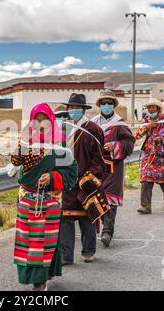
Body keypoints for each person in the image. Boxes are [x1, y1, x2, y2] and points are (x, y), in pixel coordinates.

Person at [11, 103, 78, 291]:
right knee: (28, 242)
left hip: (50, 201)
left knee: (44, 242)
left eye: (45, 120)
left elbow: (72, 173)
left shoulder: (61, 144)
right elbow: (16, 165)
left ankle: (40, 281)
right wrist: (23, 143)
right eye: (37, 120)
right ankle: (34, 277)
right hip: (26, 200)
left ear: (51, 120)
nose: (41, 124)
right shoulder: (26, 142)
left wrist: (52, 177)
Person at [58, 93, 107, 265]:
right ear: (68, 109)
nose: (74, 111)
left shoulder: (93, 129)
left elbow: (99, 157)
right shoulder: (63, 128)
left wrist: (91, 175)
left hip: (85, 180)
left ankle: (88, 251)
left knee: (86, 217)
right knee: (65, 218)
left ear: (83, 109)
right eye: (71, 108)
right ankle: (66, 255)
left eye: (77, 108)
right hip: (67, 180)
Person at [91, 90, 135, 247]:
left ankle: (107, 231)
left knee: (110, 198)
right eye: (104, 103)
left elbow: (130, 143)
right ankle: (102, 224)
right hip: (96, 167)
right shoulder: (93, 123)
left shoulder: (120, 124)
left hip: (114, 167)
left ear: (114, 105)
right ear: (100, 106)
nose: (106, 106)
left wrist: (115, 145)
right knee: (98, 197)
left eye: (109, 103)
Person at [134, 98, 164, 214]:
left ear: (158, 109)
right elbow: (136, 135)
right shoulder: (145, 121)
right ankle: (145, 206)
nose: (151, 109)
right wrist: (147, 127)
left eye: (153, 107)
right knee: (146, 179)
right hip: (149, 156)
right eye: (149, 107)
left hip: (163, 156)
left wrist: (163, 139)